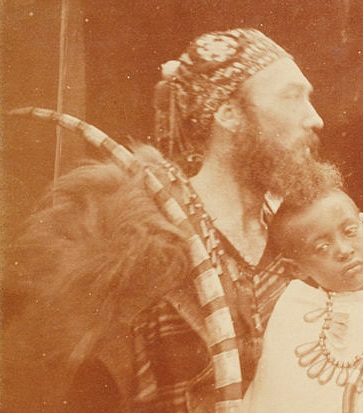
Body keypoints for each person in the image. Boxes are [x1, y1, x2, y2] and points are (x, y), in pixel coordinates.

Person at [2, 28, 341, 413]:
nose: (315, 119)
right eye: (292, 96)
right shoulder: (136, 251)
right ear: (229, 114)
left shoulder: (305, 243)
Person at [242, 187, 363, 412]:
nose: (344, 250)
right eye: (322, 247)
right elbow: (280, 400)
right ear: (296, 268)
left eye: (350, 231)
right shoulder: (297, 316)